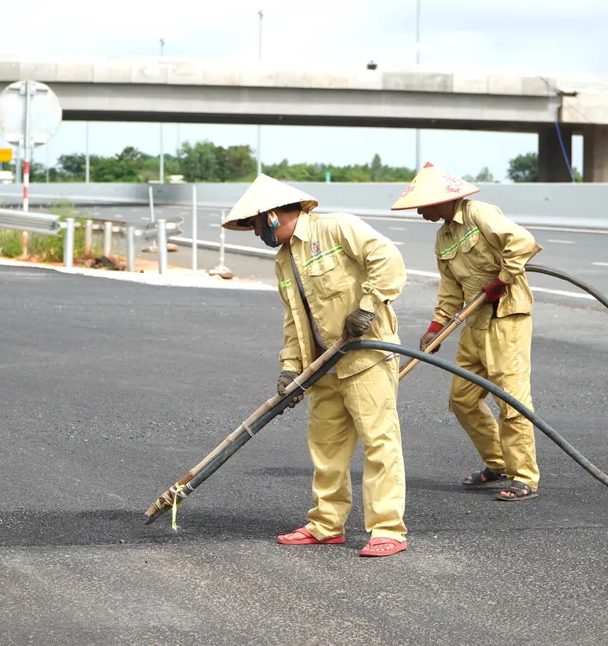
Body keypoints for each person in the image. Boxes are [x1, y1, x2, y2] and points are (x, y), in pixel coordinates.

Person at [222, 173, 409, 557]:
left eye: (256, 225)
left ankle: (388, 529)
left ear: (271, 216)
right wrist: (291, 368)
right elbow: (295, 319)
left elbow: (387, 260)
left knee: (380, 443)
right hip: (322, 366)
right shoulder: (284, 260)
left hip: (365, 358)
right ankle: (326, 524)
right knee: (326, 449)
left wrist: (368, 308)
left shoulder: (336, 228)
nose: (257, 234)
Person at [391, 162, 542, 501]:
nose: (419, 212)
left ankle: (524, 477)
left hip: (506, 318)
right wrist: (435, 328)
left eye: (422, 205)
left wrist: (503, 280)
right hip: (473, 321)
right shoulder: (443, 236)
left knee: (511, 400)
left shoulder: (478, 214)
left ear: (441, 200)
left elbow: (522, 242)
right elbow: (449, 291)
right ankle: (498, 462)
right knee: (462, 399)